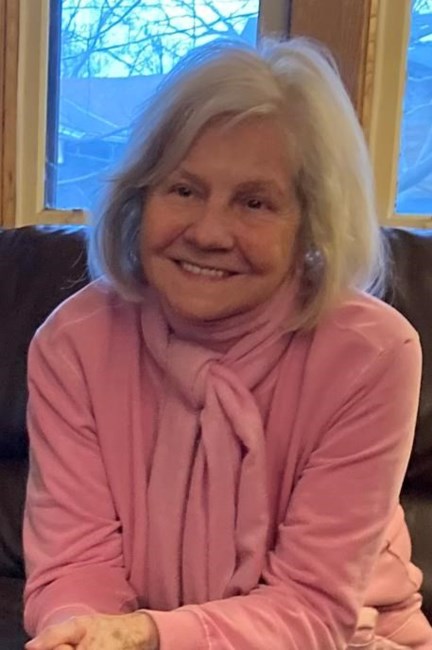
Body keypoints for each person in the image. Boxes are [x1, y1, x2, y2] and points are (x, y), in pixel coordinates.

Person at [23, 37, 432, 650]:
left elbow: (313, 607)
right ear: (139, 198)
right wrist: (81, 632)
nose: (210, 233)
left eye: (255, 202)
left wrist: (148, 634)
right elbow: (74, 566)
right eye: (184, 190)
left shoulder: (372, 354)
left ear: (311, 225)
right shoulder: (72, 344)